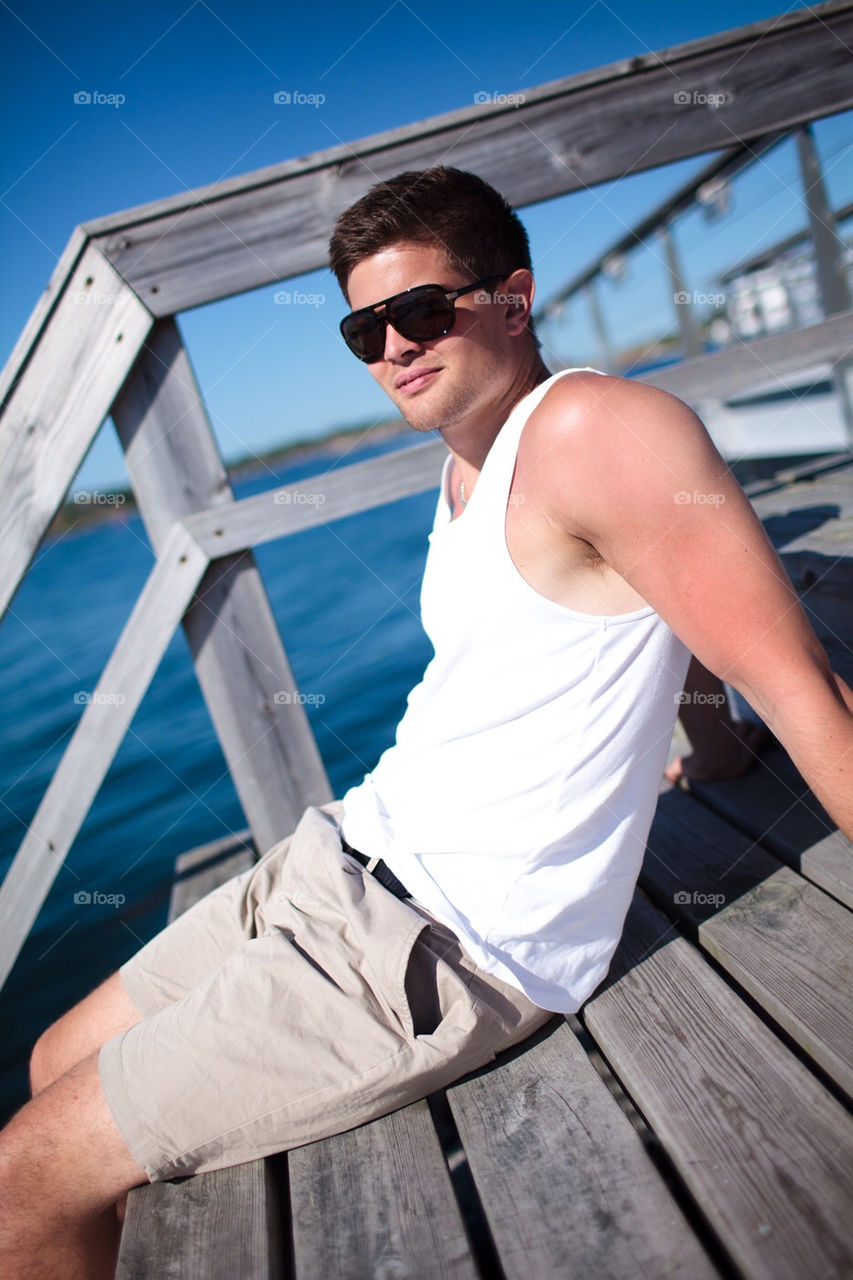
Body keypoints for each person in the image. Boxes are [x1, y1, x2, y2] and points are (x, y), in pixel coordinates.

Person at [1, 166, 851, 1279]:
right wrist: (714, 747)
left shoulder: (598, 427)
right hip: (341, 856)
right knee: (53, 1051)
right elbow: (665, 606)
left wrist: (748, 728)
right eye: (366, 328)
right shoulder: (460, 469)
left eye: (420, 310)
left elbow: (802, 687)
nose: (393, 346)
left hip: (443, 949)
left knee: (22, 1178)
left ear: (514, 295)